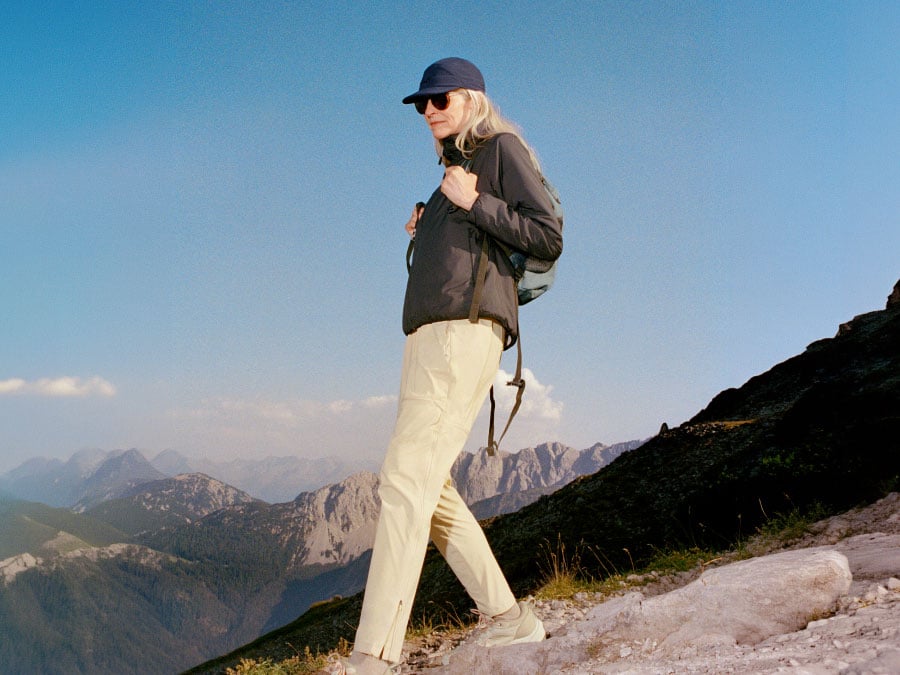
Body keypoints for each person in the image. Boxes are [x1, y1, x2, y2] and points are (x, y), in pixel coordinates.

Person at [337, 57, 563, 675]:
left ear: (472, 100)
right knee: (426, 484)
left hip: (463, 332)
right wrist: (432, 218)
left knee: (404, 480)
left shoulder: (499, 149)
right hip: (430, 335)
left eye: (441, 99)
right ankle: (510, 620)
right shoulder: (451, 171)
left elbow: (547, 235)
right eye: (422, 104)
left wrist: (473, 202)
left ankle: (373, 656)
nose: (429, 111)